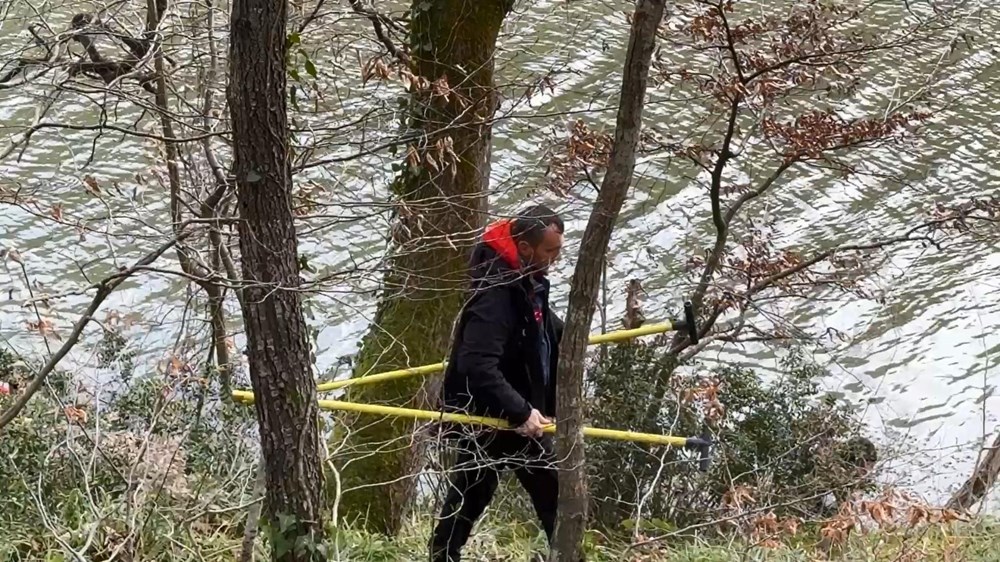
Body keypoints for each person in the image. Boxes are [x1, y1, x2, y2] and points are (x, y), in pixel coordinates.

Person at [430, 204, 566, 562]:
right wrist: (522, 412)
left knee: (472, 495)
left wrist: (567, 336)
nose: (555, 259)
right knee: (553, 500)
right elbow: (475, 363)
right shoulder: (495, 294)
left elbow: (535, 321)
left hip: (518, 412)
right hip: (497, 418)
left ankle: (442, 555)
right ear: (523, 247)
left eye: (559, 250)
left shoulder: (523, 276)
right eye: (549, 251)